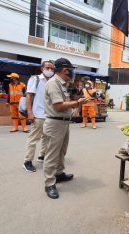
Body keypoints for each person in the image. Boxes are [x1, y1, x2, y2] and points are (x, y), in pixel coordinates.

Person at [43, 58, 90, 199]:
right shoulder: (53, 83)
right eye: (70, 69)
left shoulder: (62, 83)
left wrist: (77, 101)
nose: (72, 72)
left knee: (61, 152)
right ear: (65, 70)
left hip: (62, 123)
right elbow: (58, 106)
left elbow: (64, 102)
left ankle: (58, 174)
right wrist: (77, 102)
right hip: (55, 123)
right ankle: (49, 183)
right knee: (52, 154)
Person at [22, 61, 55, 172]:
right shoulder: (35, 79)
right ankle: (27, 161)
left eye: (51, 68)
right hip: (38, 115)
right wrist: (30, 112)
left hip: (49, 115)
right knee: (33, 139)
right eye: (47, 68)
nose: (49, 70)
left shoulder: (52, 81)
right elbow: (29, 96)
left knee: (46, 137)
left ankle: (42, 155)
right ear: (42, 68)